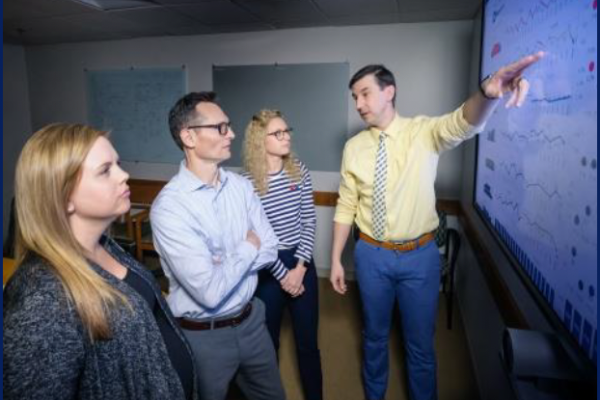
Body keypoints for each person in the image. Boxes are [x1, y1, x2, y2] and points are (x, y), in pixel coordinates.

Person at [330, 52, 545, 400]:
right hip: (371, 255)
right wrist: (337, 258)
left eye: (365, 93)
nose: (358, 103)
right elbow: (345, 203)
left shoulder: (423, 132)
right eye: (354, 96)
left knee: (420, 345)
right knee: (373, 337)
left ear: (389, 92)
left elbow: (463, 122)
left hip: (419, 258)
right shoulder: (354, 148)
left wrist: (488, 92)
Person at [3, 123, 197, 400]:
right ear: (64, 197)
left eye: (117, 164)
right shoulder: (41, 299)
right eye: (105, 170)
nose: (124, 175)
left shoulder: (107, 246)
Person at [150, 92, 287, 400]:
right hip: (203, 336)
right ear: (189, 136)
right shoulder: (170, 207)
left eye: (229, 126)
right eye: (221, 127)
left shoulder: (240, 187)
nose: (233, 134)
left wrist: (223, 263)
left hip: (252, 323)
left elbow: (271, 247)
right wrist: (248, 247)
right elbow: (209, 292)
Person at [242, 109, 323, 400]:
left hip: (300, 264)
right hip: (268, 268)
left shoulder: (299, 169)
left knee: (307, 344)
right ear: (259, 141)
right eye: (278, 133)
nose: (286, 136)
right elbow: (256, 237)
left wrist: (300, 267)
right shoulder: (246, 183)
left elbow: (309, 222)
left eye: (287, 130)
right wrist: (282, 273)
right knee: (268, 344)